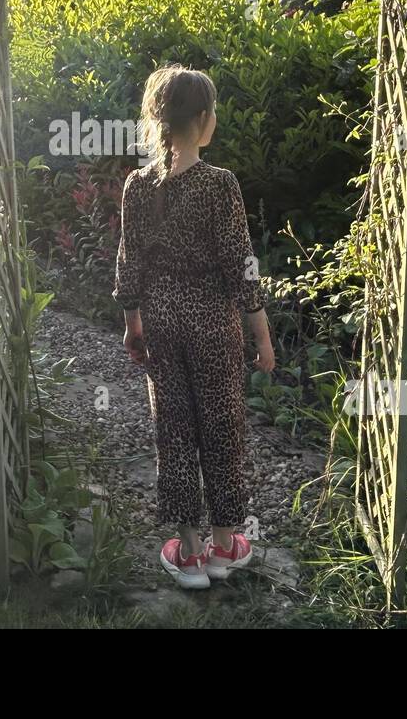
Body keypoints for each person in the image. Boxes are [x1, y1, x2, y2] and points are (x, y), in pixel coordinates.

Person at [112, 64, 276, 589]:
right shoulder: (219, 185)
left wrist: (132, 324)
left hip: (160, 320)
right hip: (213, 323)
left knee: (175, 431)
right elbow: (240, 263)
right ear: (203, 120)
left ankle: (187, 553)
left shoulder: (138, 184)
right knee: (223, 427)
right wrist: (263, 335)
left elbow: (127, 263)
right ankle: (226, 547)